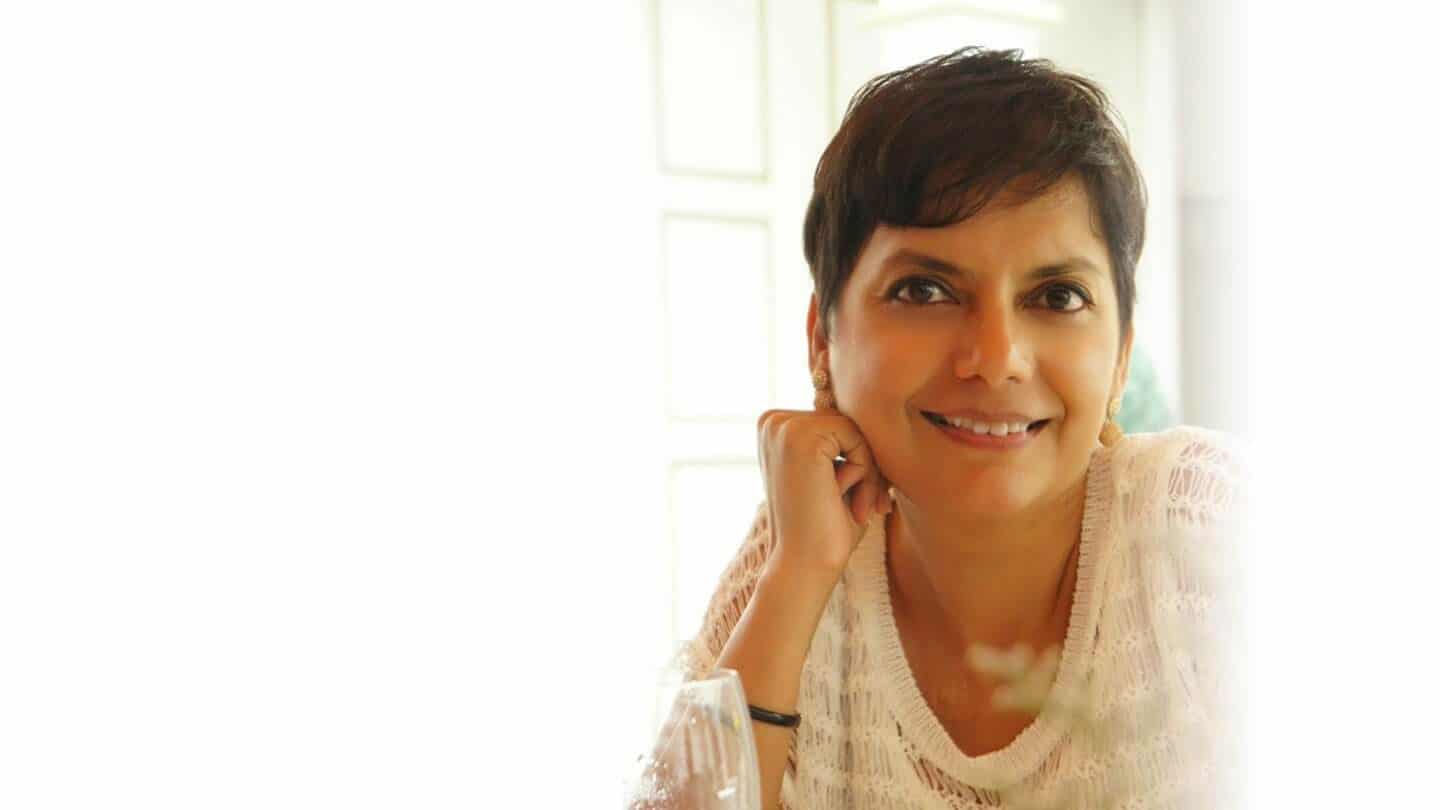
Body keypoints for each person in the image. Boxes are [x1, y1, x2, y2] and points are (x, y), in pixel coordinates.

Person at [668, 48, 1242, 810]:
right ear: (821, 340)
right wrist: (797, 574)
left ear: (1121, 354)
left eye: (1058, 296)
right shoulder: (796, 556)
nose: (997, 359)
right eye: (925, 289)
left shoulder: (1205, 528)